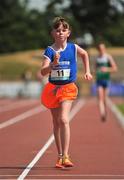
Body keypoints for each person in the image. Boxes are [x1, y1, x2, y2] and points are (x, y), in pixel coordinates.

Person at [40, 17, 92, 168]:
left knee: (63, 119)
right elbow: (43, 71)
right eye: (57, 30)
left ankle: (67, 156)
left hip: (68, 88)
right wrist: (53, 65)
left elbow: (85, 55)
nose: (60, 32)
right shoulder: (49, 51)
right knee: (56, 123)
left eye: (63, 30)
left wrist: (87, 71)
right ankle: (60, 156)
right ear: (53, 33)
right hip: (53, 89)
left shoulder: (74, 48)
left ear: (68, 33)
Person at [95, 43, 117, 121]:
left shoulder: (108, 57)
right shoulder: (97, 58)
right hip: (99, 80)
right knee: (100, 98)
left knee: (105, 99)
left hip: (106, 80)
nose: (101, 50)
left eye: (103, 48)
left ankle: (105, 111)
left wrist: (106, 69)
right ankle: (102, 114)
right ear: (98, 49)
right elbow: (95, 69)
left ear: (104, 49)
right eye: (100, 49)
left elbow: (115, 68)